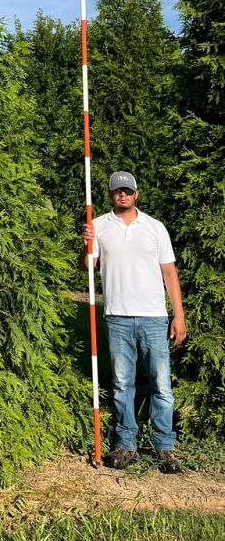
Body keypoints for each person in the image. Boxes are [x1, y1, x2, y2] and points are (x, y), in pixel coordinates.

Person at [80, 170, 186, 473]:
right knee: (122, 384)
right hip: (117, 317)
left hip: (154, 317)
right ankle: (127, 445)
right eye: (117, 191)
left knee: (161, 385)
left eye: (128, 190)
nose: (122, 195)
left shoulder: (155, 227)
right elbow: (88, 267)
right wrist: (85, 244)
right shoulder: (98, 226)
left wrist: (178, 314)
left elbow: (169, 273)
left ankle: (165, 447)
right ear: (111, 194)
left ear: (136, 194)